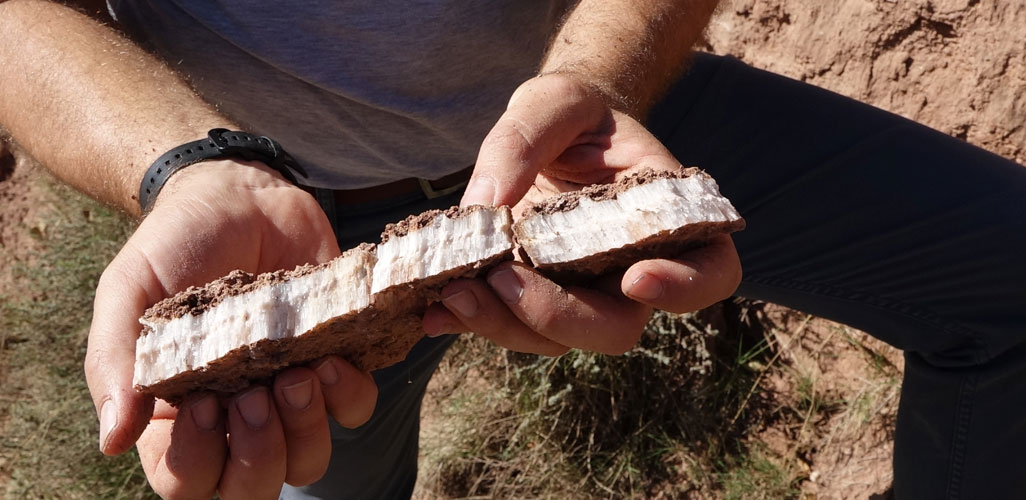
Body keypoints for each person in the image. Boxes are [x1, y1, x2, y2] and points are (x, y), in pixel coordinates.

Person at [0, 1, 1023, 499]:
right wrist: (187, 164)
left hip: (603, 127)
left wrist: (604, 77)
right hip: (291, 240)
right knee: (289, 457)